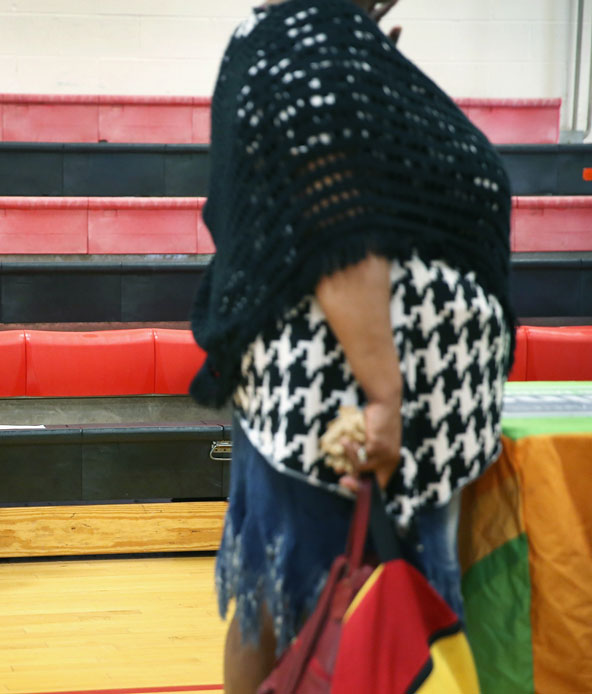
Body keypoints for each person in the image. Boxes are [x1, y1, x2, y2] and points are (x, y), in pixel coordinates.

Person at [190, 0, 514, 690]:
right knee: (326, 621)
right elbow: (338, 223)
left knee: (312, 619)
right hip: (346, 409)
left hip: (364, 407)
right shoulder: (309, 36)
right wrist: (385, 396)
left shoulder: (329, 39)